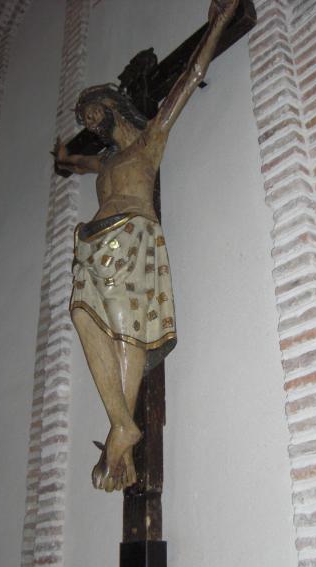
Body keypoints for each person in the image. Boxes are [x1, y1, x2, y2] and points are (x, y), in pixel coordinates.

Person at [54, 0, 239, 492]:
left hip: (132, 236)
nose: (90, 121)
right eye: (85, 118)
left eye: (92, 111)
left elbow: (190, 78)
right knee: (82, 315)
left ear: (112, 104)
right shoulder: (105, 161)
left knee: (126, 330)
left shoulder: (150, 140)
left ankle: (123, 430)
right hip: (93, 244)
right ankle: (124, 426)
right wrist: (66, 158)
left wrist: (219, 23)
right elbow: (75, 164)